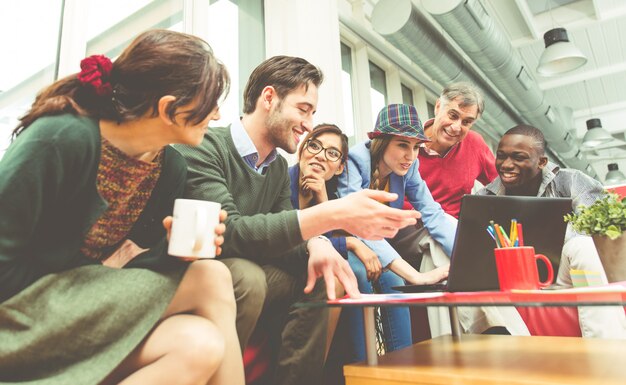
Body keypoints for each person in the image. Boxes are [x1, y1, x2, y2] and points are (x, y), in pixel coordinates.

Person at [0, 30, 245, 385]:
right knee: (212, 279)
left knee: (200, 344)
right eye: (210, 102)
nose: (219, 115)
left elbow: (124, 268)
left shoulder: (169, 168)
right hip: (19, 314)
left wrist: (172, 252)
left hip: (79, 304)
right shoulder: (59, 139)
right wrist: (88, 284)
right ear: (167, 108)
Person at [174, 56, 420, 385]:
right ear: (269, 97)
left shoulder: (275, 167)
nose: (308, 124)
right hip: (205, 270)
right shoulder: (205, 147)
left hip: (250, 269)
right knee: (249, 278)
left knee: (324, 276)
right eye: (303, 109)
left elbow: (282, 229)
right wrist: (331, 215)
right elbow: (230, 233)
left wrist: (316, 247)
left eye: (312, 113)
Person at [339, 104, 528, 338]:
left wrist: (468, 259)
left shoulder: (409, 165)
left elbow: (432, 213)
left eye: (417, 147)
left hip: (389, 238)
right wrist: (415, 277)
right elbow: (356, 225)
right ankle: (502, 331)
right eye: (402, 145)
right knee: (433, 244)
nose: (411, 155)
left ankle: (462, 338)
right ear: (382, 141)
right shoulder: (354, 162)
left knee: (439, 244)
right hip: (351, 240)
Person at [478, 124, 626, 339]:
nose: (506, 165)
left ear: (542, 162)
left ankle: (607, 346)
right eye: (501, 156)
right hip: (513, 281)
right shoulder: (485, 197)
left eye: (518, 157)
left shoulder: (572, 181)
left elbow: (603, 236)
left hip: (564, 274)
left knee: (584, 245)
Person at [403, 82, 497, 218]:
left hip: (455, 228)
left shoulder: (475, 144)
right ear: (438, 106)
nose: (456, 127)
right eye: (453, 116)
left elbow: (501, 183)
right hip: (410, 225)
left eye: (466, 122)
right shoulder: (406, 143)